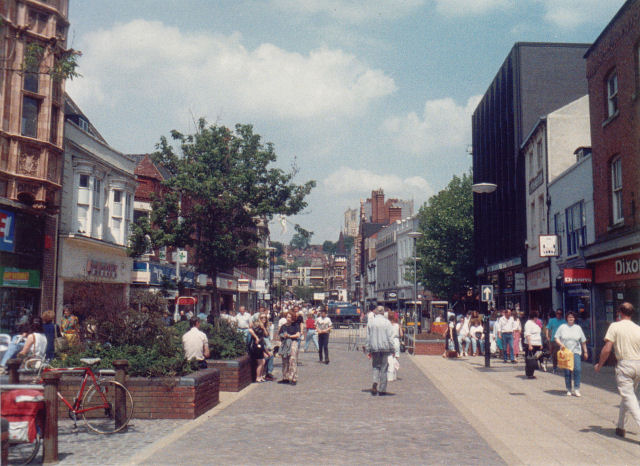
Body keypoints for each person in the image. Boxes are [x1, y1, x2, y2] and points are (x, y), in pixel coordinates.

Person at [595, 302, 640, 438]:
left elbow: (607, 348)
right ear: (632, 313)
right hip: (638, 364)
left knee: (629, 397)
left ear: (620, 312)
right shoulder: (638, 328)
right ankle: (620, 426)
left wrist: (600, 364)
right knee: (627, 396)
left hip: (624, 364)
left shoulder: (615, 326)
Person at [555, 311, 587, 397]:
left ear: (575, 318)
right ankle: (568, 389)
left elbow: (583, 341)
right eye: (569, 317)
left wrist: (585, 351)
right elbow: (556, 337)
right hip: (565, 353)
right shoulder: (562, 327)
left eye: (572, 317)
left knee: (577, 369)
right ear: (566, 318)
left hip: (575, 352)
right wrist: (561, 344)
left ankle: (576, 388)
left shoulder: (578, 328)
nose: (571, 319)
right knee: (567, 371)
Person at [366, 306, 395, 396]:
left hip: (374, 348)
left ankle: (375, 382)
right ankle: (382, 389)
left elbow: (368, 337)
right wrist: (392, 348)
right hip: (385, 348)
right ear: (383, 312)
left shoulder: (371, 322)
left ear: (376, 312)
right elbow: (390, 337)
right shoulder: (387, 323)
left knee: (375, 366)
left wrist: (368, 348)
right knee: (383, 368)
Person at [278, 311, 301, 385]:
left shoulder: (295, 325)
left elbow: (298, 335)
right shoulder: (283, 326)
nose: (289, 318)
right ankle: (285, 377)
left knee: (292, 359)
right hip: (285, 343)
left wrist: (289, 336)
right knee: (284, 360)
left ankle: (293, 378)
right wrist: (283, 336)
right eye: (288, 317)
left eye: (290, 317)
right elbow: (279, 335)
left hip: (293, 342)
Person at [249, 315, 271, 382]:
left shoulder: (263, 326)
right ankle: (257, 377)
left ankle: (260, 376)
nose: (264, 319)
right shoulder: (257, 325)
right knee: (260, 362)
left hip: (261, 345)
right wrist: (256, 337)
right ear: (259, 318)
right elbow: (250, 330)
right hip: (256, 345)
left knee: (263, 361)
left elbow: (267, 335)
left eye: (265, 318)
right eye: (262, 317)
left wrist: (263, 328)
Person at [545, 309, 567, 373]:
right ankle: (555, 366)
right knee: (555, 354)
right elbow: (548, 328)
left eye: (560, 314)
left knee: (563, 354)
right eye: (557, 313)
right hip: (554, 340)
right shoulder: (552, 320)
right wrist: (547, 336)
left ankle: (564, 366)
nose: (559, 315)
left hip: (562, 340)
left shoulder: (564, 321)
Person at [523, 310, 543, 379]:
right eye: (536, 317)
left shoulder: (536, 324)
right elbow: (527, 334)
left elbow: (538, 334)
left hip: (537, 343)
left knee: (535, 359)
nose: (537, 318)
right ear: (534, 317)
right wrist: (529, 345)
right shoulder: (528, 323)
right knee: (530, 359)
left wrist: (540, 344)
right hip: (531, 343)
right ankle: (529, 374)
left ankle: (531, 372)